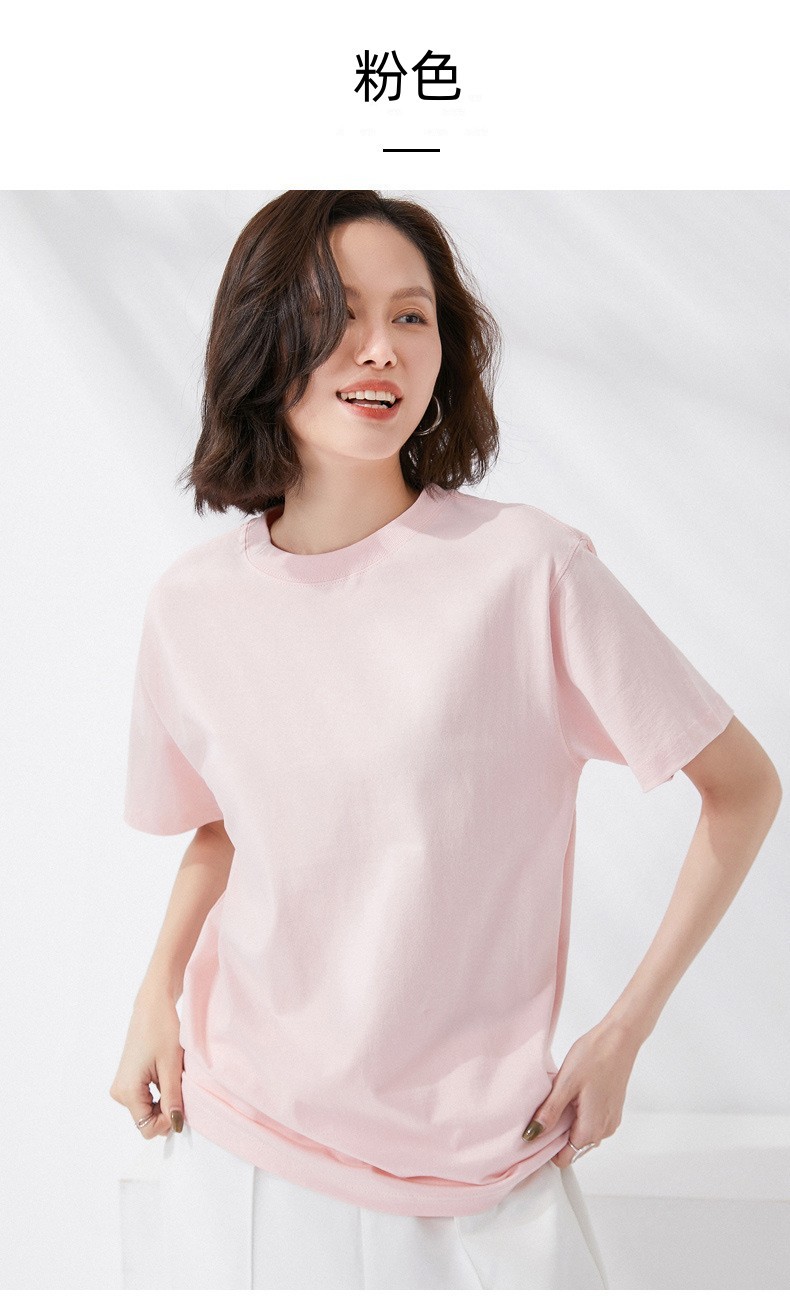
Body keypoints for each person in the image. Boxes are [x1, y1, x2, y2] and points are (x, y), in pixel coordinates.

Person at [110, 190, 781, 1291]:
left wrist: (622, 1034)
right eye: (337, 312)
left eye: (411, 316)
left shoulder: (527, 571)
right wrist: (155, 992)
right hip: (241, 1151)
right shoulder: (192, 607)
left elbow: (742, 786)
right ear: (262, 336)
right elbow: (228, 829)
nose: (379, 348)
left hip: (482, 1171)